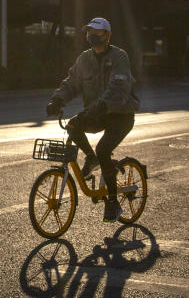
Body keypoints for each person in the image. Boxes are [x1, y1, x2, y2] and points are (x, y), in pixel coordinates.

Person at [45, 17, 140, 223]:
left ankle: (113, 202)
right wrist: (57, 99)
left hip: (120, 115)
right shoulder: (84, 58)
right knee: (72, 125)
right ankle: (91, 158)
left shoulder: (119, 56)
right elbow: (71, 82)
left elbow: (118, 86)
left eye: (96, 33)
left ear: (107, 35)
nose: (92, 36)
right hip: (97, 113)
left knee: (104, 149)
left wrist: (102, 105)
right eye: (89, 33)